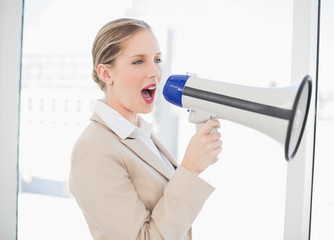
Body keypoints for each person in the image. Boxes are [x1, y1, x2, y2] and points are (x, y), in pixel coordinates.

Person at [69, 18, 222, 240]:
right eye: (138, 61)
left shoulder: (139, 133)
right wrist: (190, 168)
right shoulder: (93, 150)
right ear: (106, 74)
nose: (155, 72)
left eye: (157, 59)